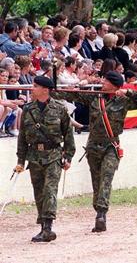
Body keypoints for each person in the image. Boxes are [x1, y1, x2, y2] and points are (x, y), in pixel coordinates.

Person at [52, 71, 137, 232]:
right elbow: (72, 96)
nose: (102, 83)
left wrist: (128, 91)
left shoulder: (124, 100)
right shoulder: (95, 97)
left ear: (114, 84)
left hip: (111, 146)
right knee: (96, 181)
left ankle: (101, 214)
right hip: (93, 146)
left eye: (106, 81)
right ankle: (98, 209)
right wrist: (54, 89)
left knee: (106, 178)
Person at [14, 76, 75, 242]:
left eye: (35, 86)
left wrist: (68, 155)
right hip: (34, 157)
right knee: (39, 192)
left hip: (53, 155)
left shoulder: (60, 108)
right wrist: (20, 160)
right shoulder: (28, 109)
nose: (32, 89)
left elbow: (68, 134)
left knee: (49, 191)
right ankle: (43, 226)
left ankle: (47, 227)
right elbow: (22, 138)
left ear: (45, 90)